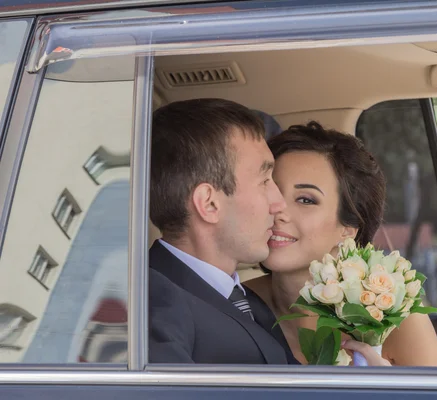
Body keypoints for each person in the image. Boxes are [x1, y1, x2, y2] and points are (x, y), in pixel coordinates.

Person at [148, 99, 386, 366]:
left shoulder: (244, 301)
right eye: (265, 182)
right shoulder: (155, 302)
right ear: (209, 203)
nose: (279, 204)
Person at [245, 121, 437, 366]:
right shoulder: (234, 304)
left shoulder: (393, 320)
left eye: (306, 200)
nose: (277, 209)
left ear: (347, 230)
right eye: (272, 189)